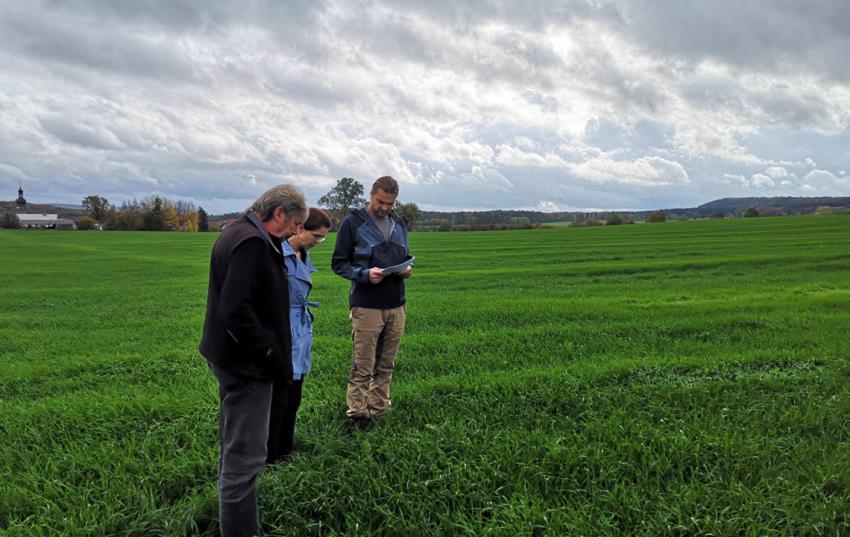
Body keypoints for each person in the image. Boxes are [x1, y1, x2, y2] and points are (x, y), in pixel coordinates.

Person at [199, 184, 307, 537]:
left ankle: (233, 520)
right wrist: (268, 351)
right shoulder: (251, 245)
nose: (296, 232)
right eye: (295, 224)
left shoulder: (236, 231)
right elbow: (235, 310)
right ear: (279, 214)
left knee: (235, 449)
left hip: (231, 359)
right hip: (246, 367)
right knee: (245, 460)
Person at [331, 175, 413, 429]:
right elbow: (339, 263)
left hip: (397, 303)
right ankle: (357, 412)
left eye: (391, 203)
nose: (385, 208)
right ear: (371, 195)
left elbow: (404, 255)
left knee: (387, 363)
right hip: (366, 305)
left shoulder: (398, 223)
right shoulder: (352, 223)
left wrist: (406, 269)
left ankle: (379, 408)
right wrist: (365, 275)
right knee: (363, 364)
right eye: (381, 202)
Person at [267, 207, 332, 464]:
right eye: (316, 236)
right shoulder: (277, 255)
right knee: (278, 401)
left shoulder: (302, 254)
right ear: (300, 228)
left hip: (301, 331)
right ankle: (270, 457)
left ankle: (286, 451)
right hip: (284, 329)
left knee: (294, 398)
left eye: (322, 238)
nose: (318, 242)